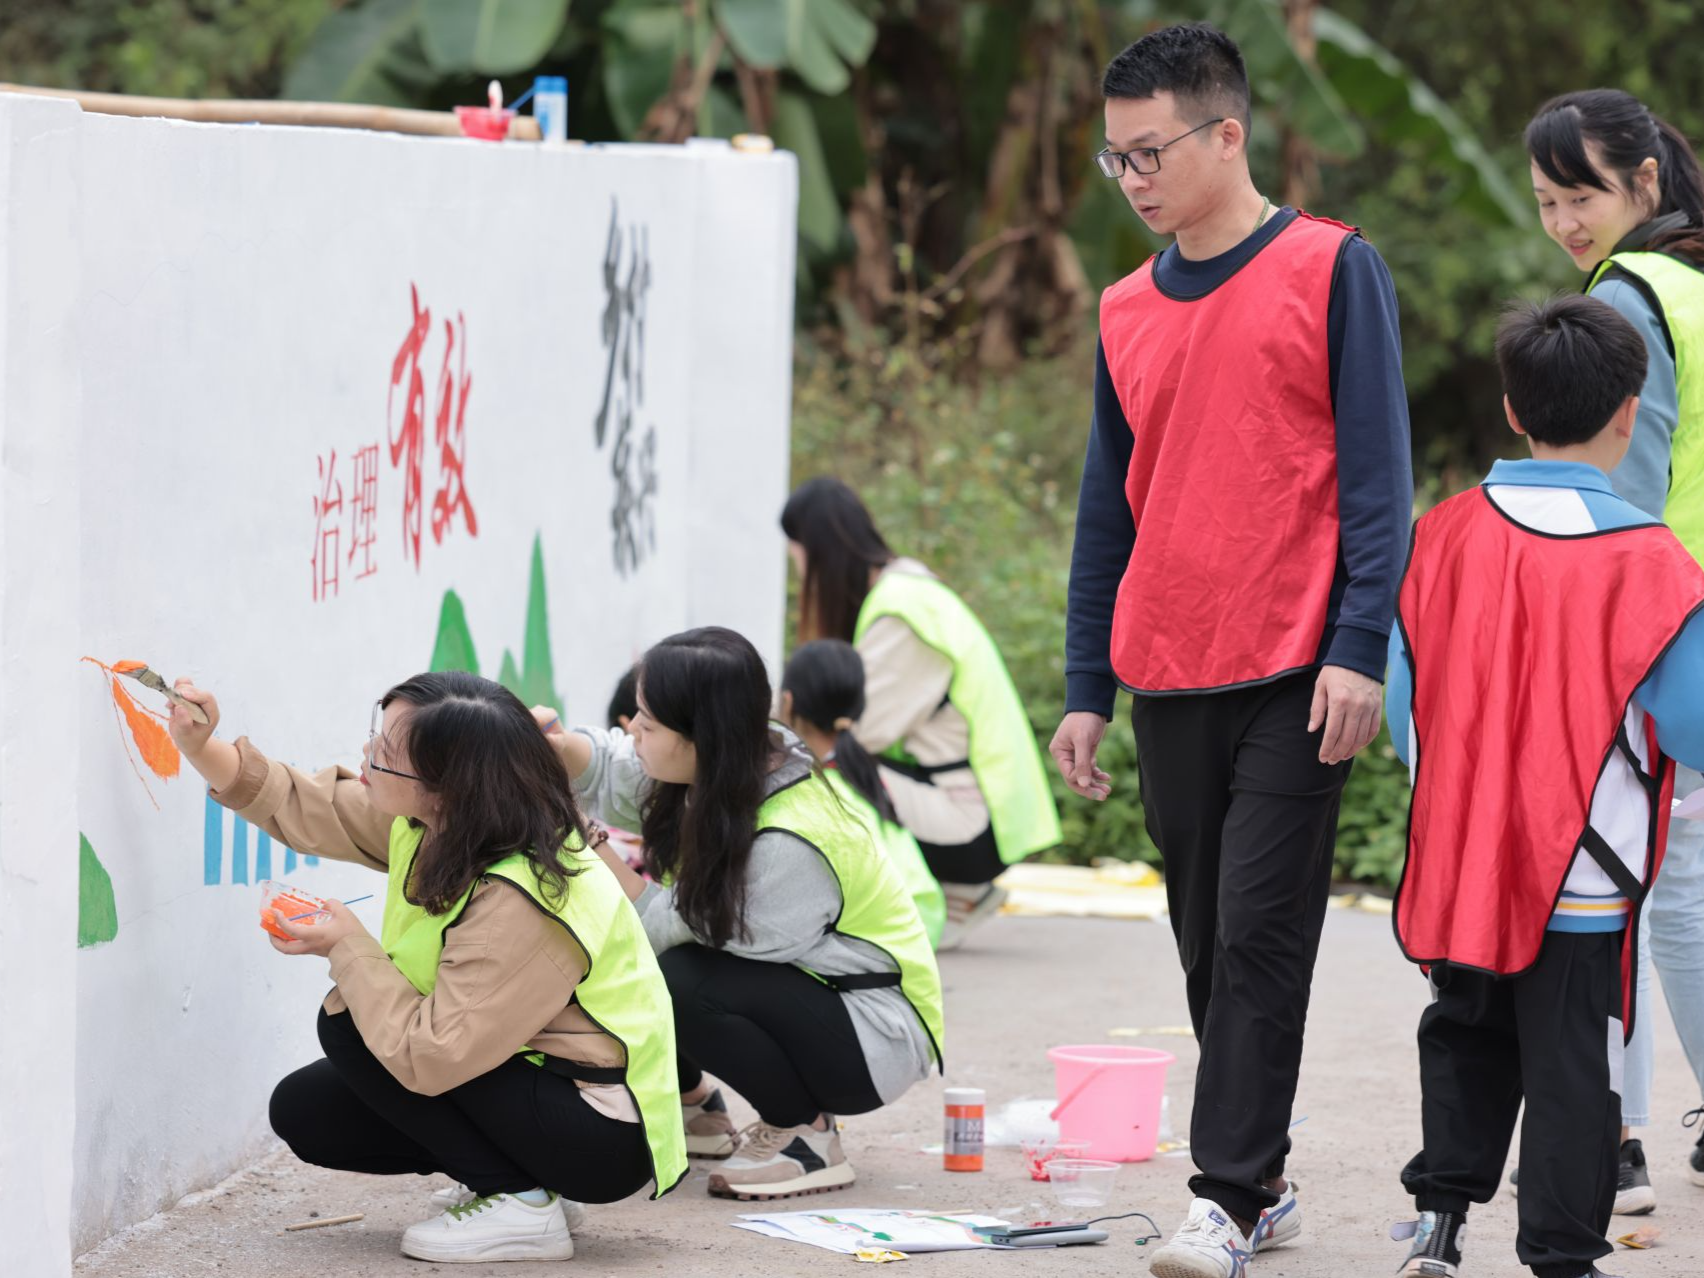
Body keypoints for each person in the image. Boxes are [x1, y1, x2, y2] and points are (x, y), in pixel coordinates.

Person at [1050, 22, 1413, 1274]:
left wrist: (1362, 646)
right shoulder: (1125, 307)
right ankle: (1260, 1172)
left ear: (1226, 135)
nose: (1136, 177)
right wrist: (1084, 683)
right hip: (1169, 666)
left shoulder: (1330, 267)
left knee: (1261, 931)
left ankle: (1228, 1194)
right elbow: (1111, 505)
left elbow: (1378, 479)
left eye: (1150, 152)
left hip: (1301, 662)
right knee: (1208, 939)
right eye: (1116, 160)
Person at [1384, 295, 1704, 1278]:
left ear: (1514, 411)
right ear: (1629, 413)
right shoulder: (1653, 560)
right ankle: (1563, 1256)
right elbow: (1690, 724)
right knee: (1573, 1071)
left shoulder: (1440, 533)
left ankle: (1439, 1223)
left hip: (1462, 854)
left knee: (1465, 1032)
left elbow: (1407, 712)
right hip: (1586, 871)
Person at [165, 671, 686, 1265]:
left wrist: (347, 948)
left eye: (386, 753)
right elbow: (311, 806)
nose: (366, 755)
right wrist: (201, 746)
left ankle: (521, 1205)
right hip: (533, 1077)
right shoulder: (443, 822)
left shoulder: (523, 894)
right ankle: (524, 1180)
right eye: (377, 736)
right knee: (306, 1110)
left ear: (445, 785)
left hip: (601, 1129)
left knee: (352, 1023)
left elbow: (431, 1053)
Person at [538, 626, 944, 1200]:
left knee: (676, 975)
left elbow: (657, 930)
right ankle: (695, 1107)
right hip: (817, 994)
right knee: (642, 964)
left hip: (875, 1037)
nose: (634, 732)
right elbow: (611, 766)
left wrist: (587, 838)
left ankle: (806, 1136)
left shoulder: (788, 841)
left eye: (648, 724)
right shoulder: (729, 765)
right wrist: (553, 750)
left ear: (700, 735)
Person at [1526, 88, 1704, 1204]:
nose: (1564, 223)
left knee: (1625, 883)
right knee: (1675, 880)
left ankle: (1611, 1138)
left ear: (1644, 179)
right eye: (1546, 201)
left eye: (1581, 193)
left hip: (1657, 622)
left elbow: (1618, 496)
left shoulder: (1633, 298)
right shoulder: (1695, 278)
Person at [781, 476, 1061, 948]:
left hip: (968, 823)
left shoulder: (902, 617)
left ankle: (953, 892)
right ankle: (951, 890)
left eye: (799, 558)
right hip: (971, 805)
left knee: (822, 769)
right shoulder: (911, 593)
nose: (798, 572)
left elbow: (844, 730)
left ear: (820, 553)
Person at [780, 638, 947, 947]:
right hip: (920, 933)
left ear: (787, 703)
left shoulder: (814, 791)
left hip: (881, 951)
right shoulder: (860, 775)